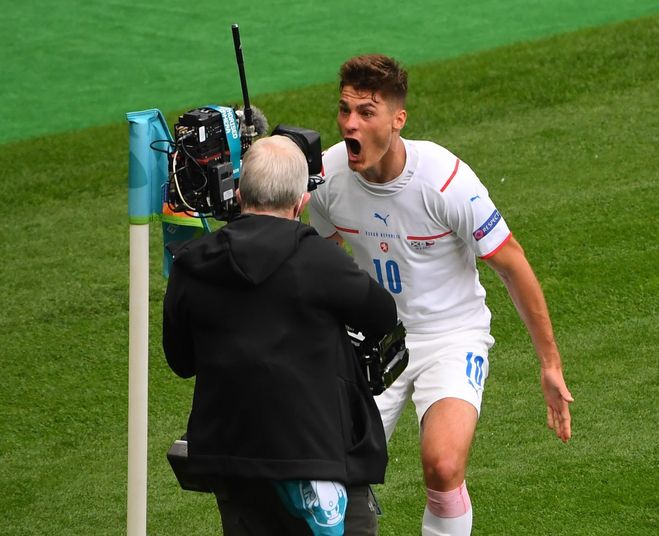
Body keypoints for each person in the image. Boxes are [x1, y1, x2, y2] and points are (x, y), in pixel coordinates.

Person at [307, 54, 574, 536]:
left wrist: (550, 364)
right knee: (332, 473)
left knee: (443, 466)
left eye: (366, 112)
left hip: (451, 335)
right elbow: (321, 256)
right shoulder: (327, 178)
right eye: (344, 110)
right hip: (375, 340)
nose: (350, 123)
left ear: (397, 119)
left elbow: (511, 263)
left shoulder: (446, 182)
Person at [162, 135, 399, 535]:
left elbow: (181, 361)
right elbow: (382, 315)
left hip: (233, 462)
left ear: (238, 194)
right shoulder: (319, 260)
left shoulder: (191, 264)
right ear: (301, 202)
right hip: (318, 456)